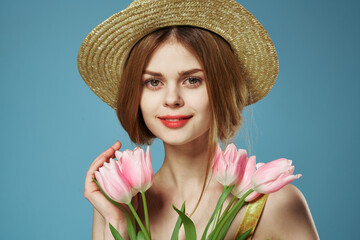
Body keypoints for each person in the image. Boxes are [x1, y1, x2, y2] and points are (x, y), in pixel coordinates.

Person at [79, 0, 319, 239]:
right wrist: (116, 226)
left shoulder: (275, 205)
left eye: (192, 80)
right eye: (153, 82)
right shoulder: (116, 203)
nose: (172, 99)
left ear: (222, 89)